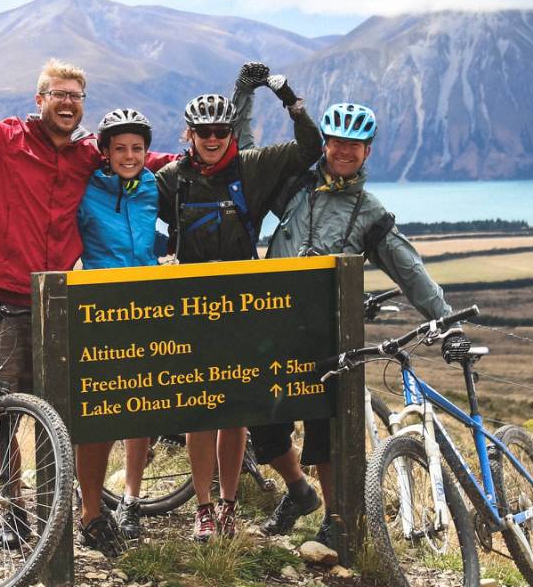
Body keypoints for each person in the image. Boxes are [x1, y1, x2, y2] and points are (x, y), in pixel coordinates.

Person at [0, 8, 174, 548]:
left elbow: (147, 159)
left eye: (76, 95)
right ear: (39, 101)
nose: (68, 102)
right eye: (58, 94)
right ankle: (13, 510)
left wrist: (209, 155)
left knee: (57, 411)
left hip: (57, 301)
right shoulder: (4, 142)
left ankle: (58, 510)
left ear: (83, 105)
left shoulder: (92, 155)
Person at [250, 101, 453, 549]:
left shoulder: (369, 210)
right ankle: (300, 491)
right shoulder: (293, 184)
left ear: (367, 152)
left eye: (354, 145)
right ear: (325, 144)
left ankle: (337, 522)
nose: (344, 151)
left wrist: (445, 320)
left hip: (328, 332)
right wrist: (248, 96)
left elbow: (409, 269)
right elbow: (244, 161)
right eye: (337, 141)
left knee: (325, 430)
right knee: (261, 419)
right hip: (273, 324)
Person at [156, 64, 321, 541]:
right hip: (191, 306)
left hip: (243, 305)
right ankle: (203, 509)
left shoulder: (251, 166)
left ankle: (227, 506)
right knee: (198, 410)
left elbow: (310, 148)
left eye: (221, 130)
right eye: (204, 131)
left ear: (230, 132)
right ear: (189, 133)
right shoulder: (172, 178)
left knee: (234, 411)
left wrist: (287, 96)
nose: (212, 138)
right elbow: (132, 205)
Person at [71, 108, 165, 555]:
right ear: (103, 152)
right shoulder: (85, 186)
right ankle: (90, 508)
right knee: (100, 415)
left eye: (137, 148)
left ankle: (130, 499)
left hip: (144, 306)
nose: (129, 156)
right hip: (100, 309)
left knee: (140, 408)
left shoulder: (150, 185)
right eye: (120, 149)